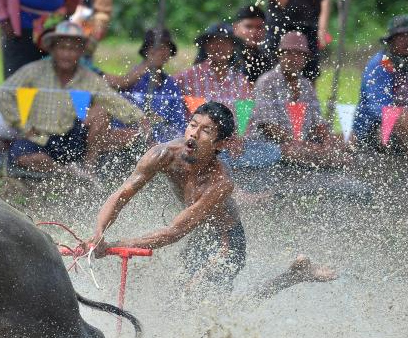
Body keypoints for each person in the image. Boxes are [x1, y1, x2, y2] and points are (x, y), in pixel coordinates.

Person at [85, 102, 336, 294]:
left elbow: (175, 231)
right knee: (178, 298)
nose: (194, 134)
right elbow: (122, 194)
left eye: (206, 131)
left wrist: (115, 244)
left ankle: (290, 278)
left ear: (221, 144)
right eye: (193, 125)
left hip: (227, 242)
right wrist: (99, 233)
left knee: (205, 303)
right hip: (200, 236)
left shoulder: (220, 183)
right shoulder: (162, 154)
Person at [0, 20, 143, 176]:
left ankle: (88, 169)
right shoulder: (34, 71)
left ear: (81, 52)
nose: (67, 54)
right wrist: (21, 123)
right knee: (23, 156)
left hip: (73, 137)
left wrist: (141, 118)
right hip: (39, 136)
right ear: (52, 49)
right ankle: (68, 173)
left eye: (73, 49)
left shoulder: (89, 77)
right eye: (62, 48)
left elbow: (114, 101)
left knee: (102, 112)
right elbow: (3, 94)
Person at [248, 31, 351, 168]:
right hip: (272, 145)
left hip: (304, 143)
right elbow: (269, 128)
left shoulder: (306, 85)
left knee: (347, 140)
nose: (294, 58)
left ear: (305, 59)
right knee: (295, 152)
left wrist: (327, 140)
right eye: (289, 53)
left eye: (299, 54)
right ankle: (326, 161)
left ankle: (326, 160)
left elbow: (317, 121)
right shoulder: (266, 82)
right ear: (280, 55)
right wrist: (303, 144)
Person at [352, 15, 408, 180]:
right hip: (374, 129)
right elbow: (378, 108)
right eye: (401, 37)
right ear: (391, 41)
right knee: (403, 116)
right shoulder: (381, 63)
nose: (406, 41)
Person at [104, 27, 186, 143]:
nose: (161, 51)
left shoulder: (171, 85)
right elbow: (119, 119)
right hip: (130, 141)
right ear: (147, 51)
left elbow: (179, 122)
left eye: (165, 47)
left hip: (164, 143)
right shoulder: (130, 80)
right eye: (156, 47)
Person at [175, 23, 253, 107]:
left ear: (232, 47)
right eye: (214, 42)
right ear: (205, 46)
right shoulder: (185, 78)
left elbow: (245, 117)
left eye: (225, 42)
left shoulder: (242, 82)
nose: (220, 47)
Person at [232, 4, 276, 84]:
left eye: (259, 27)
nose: (254, 32)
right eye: (248, 27)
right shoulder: (225, 56)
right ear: (236, 28)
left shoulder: (268, 59)